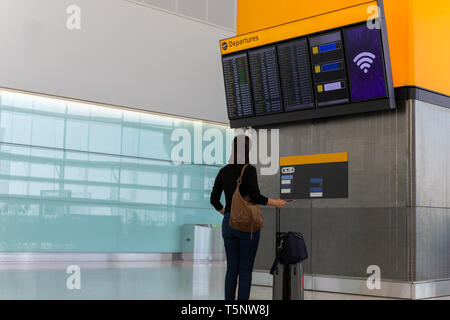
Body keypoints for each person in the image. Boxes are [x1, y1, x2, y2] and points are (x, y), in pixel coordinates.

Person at [210, 135, 286, 300]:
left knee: (232, 269)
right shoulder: (248, 169)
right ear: (247, 150)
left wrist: (227, 212)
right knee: (245, 269)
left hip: (228, 224)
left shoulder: (223, 171)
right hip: (246, 226)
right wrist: (276, 202)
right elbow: (256, 196)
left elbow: (213, 200)